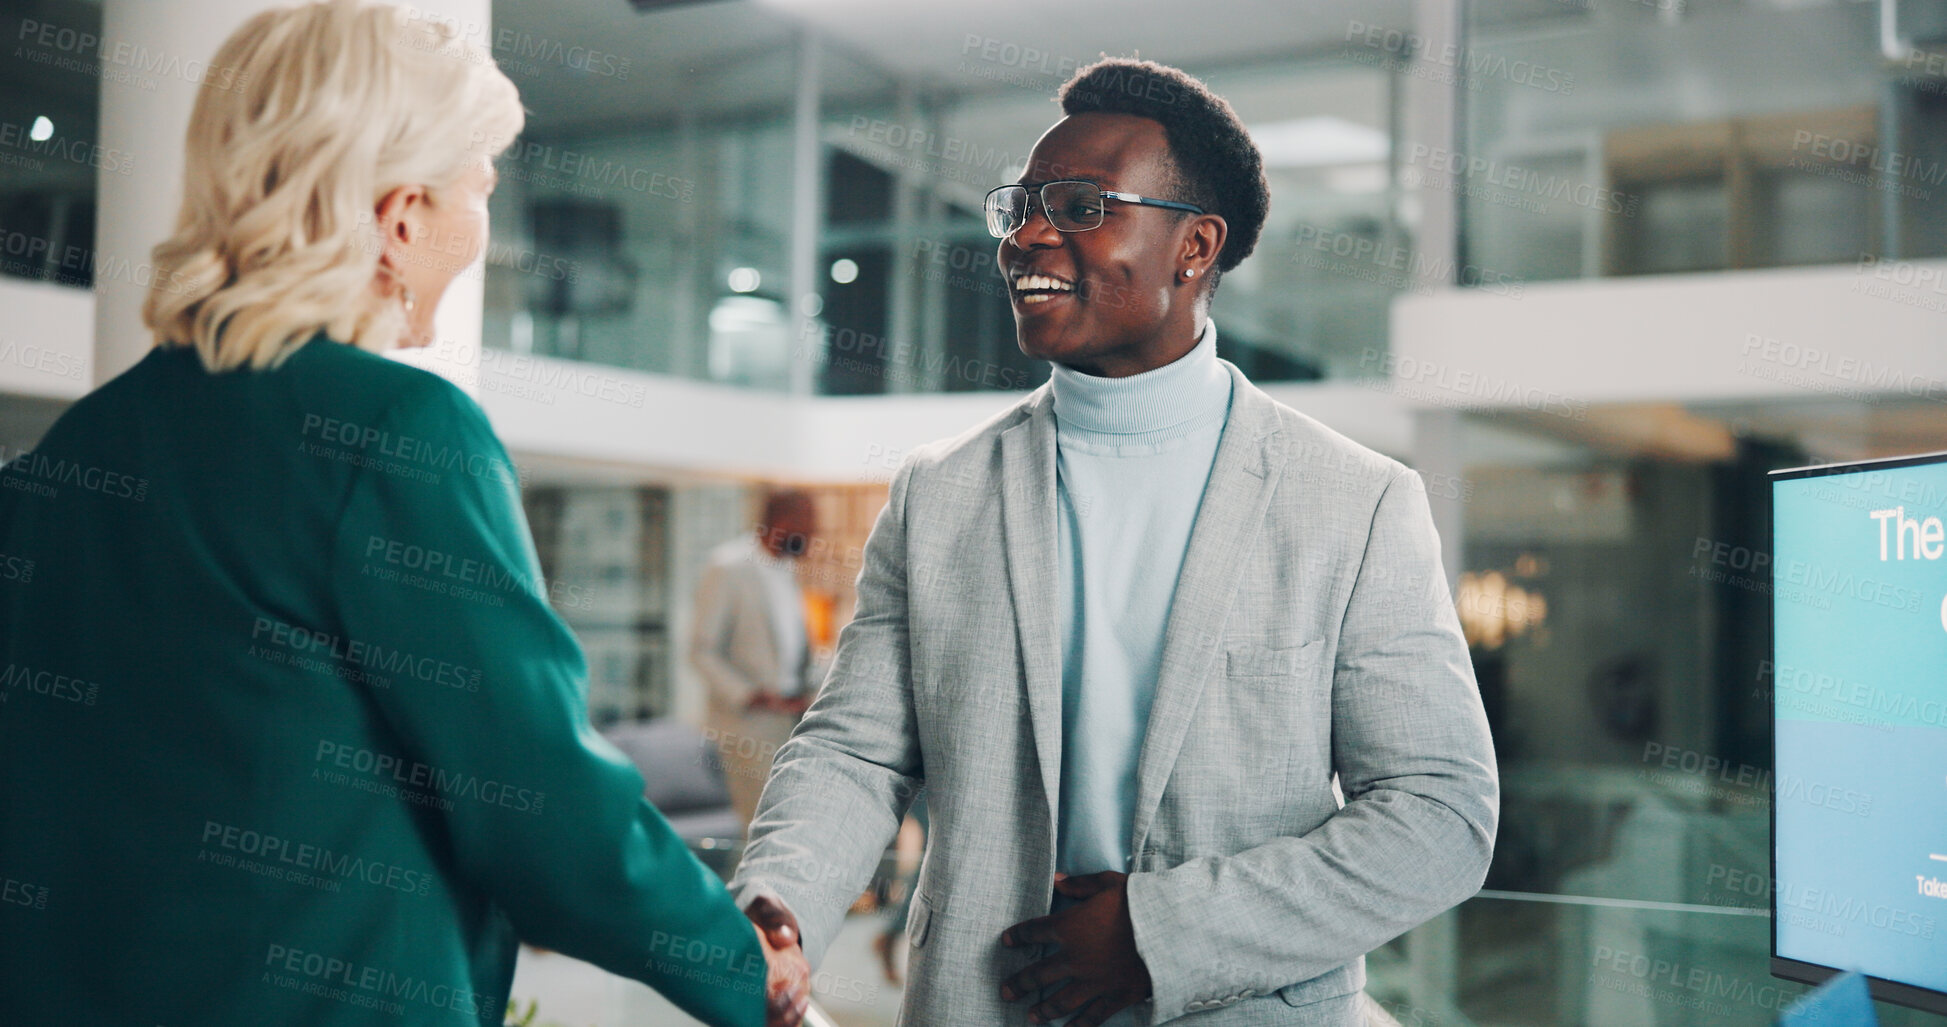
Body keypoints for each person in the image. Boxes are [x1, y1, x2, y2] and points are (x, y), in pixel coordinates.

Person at [0, 4, 807, 1024]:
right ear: (401, 214)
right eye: (481, 189)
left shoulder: (71, 451)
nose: (484, 233)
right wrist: (745, 972)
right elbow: (536, 797)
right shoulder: (394, 430)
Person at [732, 57, 1498, 1026]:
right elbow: (857, 752)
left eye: (1082, 205)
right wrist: (780, 905)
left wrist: (1156, 934)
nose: (1029, 235)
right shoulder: (941, 491)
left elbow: (1439, 817)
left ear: (1194, 248)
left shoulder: (1356, 502)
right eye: (1020, 206)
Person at [691, 490, 820, 825]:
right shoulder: (728, 566)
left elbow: (793, 649)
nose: (813, 534)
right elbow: (701, 651)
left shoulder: (787, 570)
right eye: (807, 524)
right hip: (747, 727)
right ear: (781, 521)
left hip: (791, 721)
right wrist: (751, 695)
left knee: (791, 823)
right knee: (761, 828)